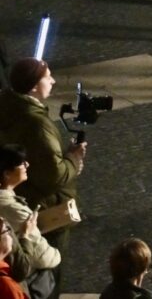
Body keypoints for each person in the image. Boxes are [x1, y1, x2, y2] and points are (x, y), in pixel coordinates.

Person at [0, 63, 80, 267]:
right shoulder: (37, 124)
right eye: (48, 77)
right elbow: (54, 174)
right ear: (34, 86)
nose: (53, 81)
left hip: (18, 198)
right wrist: (74, 158)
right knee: (48, 271)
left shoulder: (7, 109)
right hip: (46, 209)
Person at [0, 145, 60, 297]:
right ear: (7, 173)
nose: (27, 164)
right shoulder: (12, 209)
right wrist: (56, 255)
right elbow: (40, 258)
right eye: (21, 163)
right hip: (29, 284)